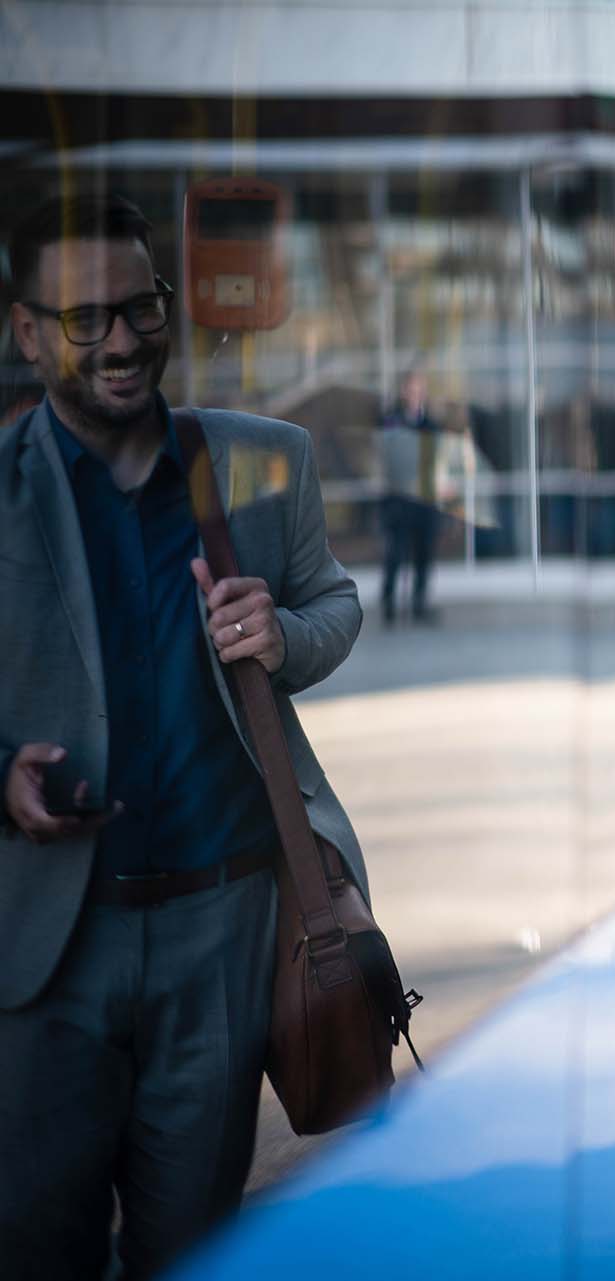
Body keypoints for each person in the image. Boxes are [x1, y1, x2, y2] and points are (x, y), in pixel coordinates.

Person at [0, 192, 368, 1279]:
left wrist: (281, 636)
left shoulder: (263, 460)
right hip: (44, 949)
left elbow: (335, 605)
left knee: (194, 1247)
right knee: (35, 1249)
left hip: (221, 936)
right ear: (26, 331)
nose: (122, 340)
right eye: (85, 318)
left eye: (142, 308)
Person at [376, 366, 444, 623]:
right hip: (399, 501)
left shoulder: (431, 425)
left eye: (420, 390)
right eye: (412, 389)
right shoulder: (390, 420)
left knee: (424, 552)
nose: (416, 394)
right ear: (404, 392)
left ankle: (419, 602)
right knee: (395, 552)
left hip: (424, 501)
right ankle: (389, 601)